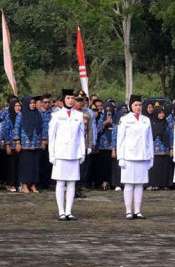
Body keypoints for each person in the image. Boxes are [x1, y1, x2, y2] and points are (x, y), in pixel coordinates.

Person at [49, 89, 86, 221]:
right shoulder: (56, 115)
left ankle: (69, 211)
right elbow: (51, 136)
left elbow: (81, 135)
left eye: (72, 98)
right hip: (60, 153)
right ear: (63, 99)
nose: (70, 100)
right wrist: (51, 154)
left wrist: (83, 151)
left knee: (71, 183)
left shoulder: (79, 115)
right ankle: (61, 211)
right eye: (68, 98)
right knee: (60, 183)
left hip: (74, 153)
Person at [116, 95, 154, 219]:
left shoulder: (146, 120)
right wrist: (120, 157)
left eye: (139, 105)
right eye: (135, 105)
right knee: (129, 184)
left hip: (143, 155)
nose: (138, 107)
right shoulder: (125, 119)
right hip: (129, 155)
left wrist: (151, 157)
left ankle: (137, 211)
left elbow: (149, 140)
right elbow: (120, 140)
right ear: (130, 106)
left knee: (139, 184)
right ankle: (128, 210)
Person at [14, 96, 47, 194]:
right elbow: (17, 128)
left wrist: (44, 140)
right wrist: (18, 142)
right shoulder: (21, 115)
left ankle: (33, 184)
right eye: (30, 103)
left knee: (35, 165)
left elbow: (43, 127)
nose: (32, 105)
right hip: (25, 144)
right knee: (25, 165)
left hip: (36, 143)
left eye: (33, 103)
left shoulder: (38, 114)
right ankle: (24, 184)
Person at [149, 103, 172, 190]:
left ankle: (164, 184)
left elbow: (170, 135)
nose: (161, 115)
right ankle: (154, 183)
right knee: (155, 167)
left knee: (164, 167)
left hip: (165, 149)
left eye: (163, 113)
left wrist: (171, 148)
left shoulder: (167, 124)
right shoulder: (152, 124)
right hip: (155, 149)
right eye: (159, 113)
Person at [95, 102, 116, 190]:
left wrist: (113, 124)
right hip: (103, 145)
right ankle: (103, 182)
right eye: (106, 109)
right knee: (103, 164)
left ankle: (112, 182)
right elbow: (97, 131)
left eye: (109, 109)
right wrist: (104, 124)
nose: (108, 111)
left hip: (112, 145)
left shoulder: (116, 117)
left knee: (112, 165)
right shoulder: (101, 119)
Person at [2, 98, 20, 191]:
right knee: (11, 165)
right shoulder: (8, 117)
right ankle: (10, 183)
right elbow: (5, 131)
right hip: (11, 144)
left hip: (21, 145)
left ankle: (18, 183)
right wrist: (7, 145)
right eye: (16, 106)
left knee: (19, 165)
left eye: (19, 106)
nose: (17, 108)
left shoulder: (22, 116)